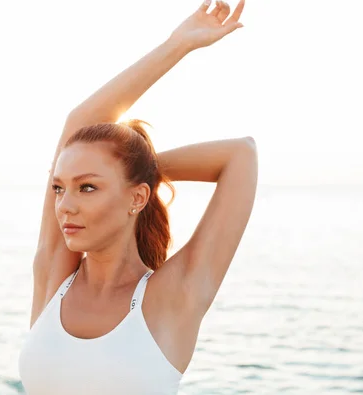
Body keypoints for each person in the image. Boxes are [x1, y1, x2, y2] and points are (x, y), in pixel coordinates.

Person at [18, 1, 257, 393]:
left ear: (137, 198)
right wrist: (176, 44)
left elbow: (240, 155)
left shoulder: (171, 296)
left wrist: (139, 168)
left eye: (88, 187)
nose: (65, 205)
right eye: (59, 187)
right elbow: (78, 125)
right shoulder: (53, 274)